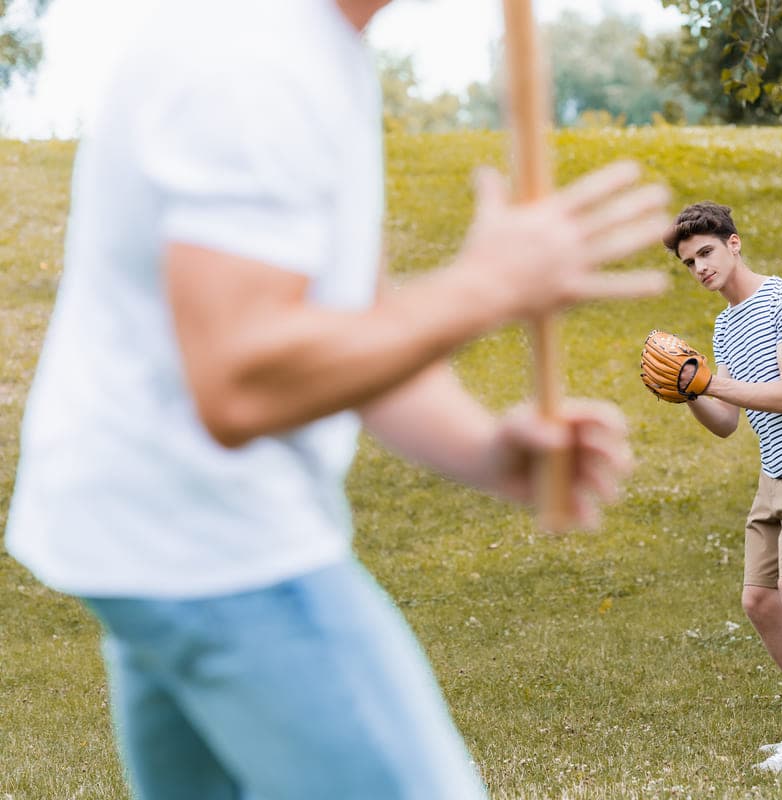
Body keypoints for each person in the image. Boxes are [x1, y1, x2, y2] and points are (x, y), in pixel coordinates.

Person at [3, 0, 670, 797]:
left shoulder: (316, 48)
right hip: (214, 548)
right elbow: (241, 379)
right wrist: (489, 285)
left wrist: (486, 451)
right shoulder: (253, 57)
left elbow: (352, 326)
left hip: (147, 539)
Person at [659, 201, 782, 772]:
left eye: (706, 253)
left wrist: (712, 380)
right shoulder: (725, 324)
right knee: (759, 599)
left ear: (734, 244)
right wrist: (690, 393)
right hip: (776, 469)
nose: (699, 267)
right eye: (688, 262)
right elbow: (726, 424)